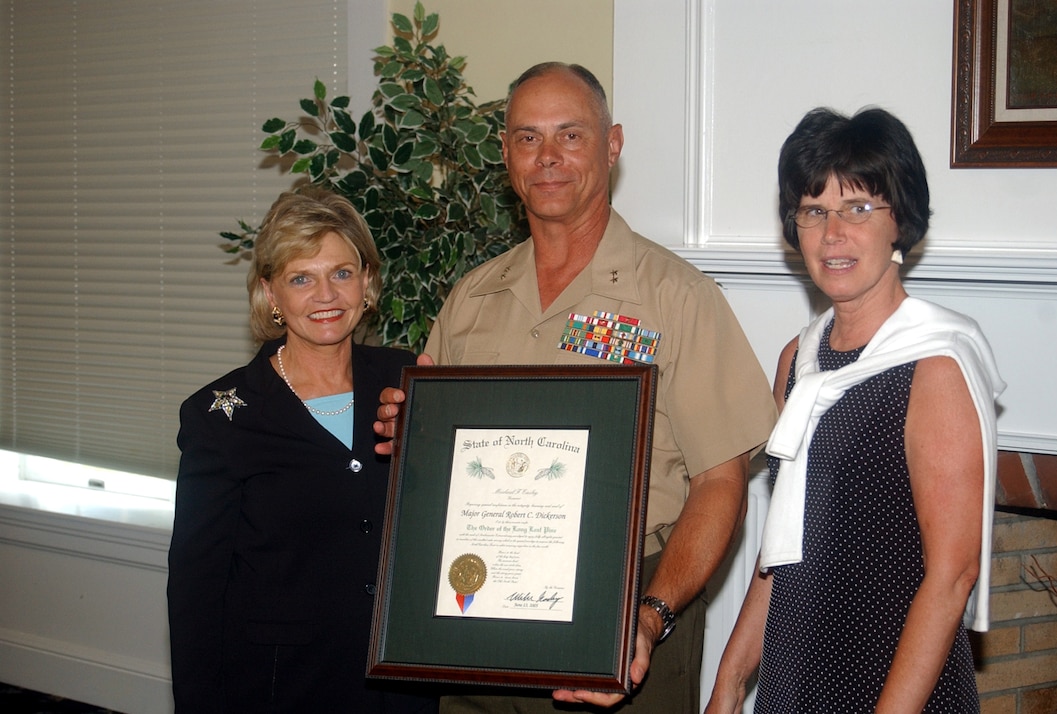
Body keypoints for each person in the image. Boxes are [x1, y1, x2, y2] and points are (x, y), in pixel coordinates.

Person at [375, 62, 777, 713]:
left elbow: (721, 483)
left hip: (621, 617)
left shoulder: (679, 298)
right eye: (528, 138)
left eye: (571, 135)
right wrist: (413, 434)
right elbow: (442, 469)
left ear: (611, 145)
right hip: (477, 608)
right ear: (505, 153)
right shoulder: (472, 299)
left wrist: (649, 617)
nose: (548, 158)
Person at [705, 107, 1005, 713]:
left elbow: (953, 577)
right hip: (795, 680)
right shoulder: (798, 359)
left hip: (895, 688)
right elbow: (782, 544)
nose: (833, 233)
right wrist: (730, 684)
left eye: (859, 208)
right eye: (815, 211)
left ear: (900, 223)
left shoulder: (935, 365)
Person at [168, 187, 437, 714]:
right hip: (284, 687)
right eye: (301, 278)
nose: (326, 295)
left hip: (400, 680)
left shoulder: (406, 381)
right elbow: (197, 592)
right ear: (270, 293)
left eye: (341, 272)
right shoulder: (222, 417)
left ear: (367, 281)